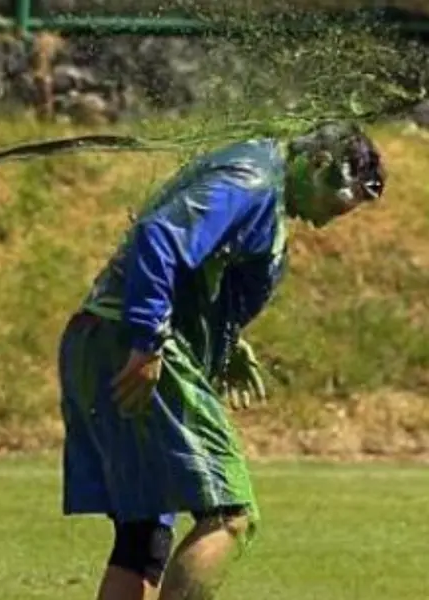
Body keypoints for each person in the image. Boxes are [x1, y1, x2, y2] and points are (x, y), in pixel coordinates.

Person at [58, 120, 385, 600]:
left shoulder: (259, 183)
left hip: (96, 338)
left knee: (143, 534)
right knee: (231, 514)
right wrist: (148, 342)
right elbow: (159, 236)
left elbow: (201, 271)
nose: (327, 221)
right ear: (318, 163)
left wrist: (227, 341)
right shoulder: (252, 180)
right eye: (338, 205)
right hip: (133, 342)